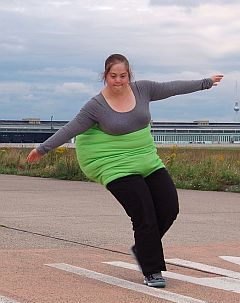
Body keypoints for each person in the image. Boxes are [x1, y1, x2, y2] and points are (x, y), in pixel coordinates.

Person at [26, 54, 223, 288]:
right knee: (144, 214)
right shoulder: (95, 106)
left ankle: (143, 247)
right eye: (113, 76)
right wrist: (42, 149)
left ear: (129, 75)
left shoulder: (143, 90)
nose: (118, 81)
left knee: (170, 207)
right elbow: (71, 129)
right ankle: (152, 271)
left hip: (145, 158)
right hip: (113, 164)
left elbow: (172, 88)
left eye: (123, 76)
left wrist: (205, 83)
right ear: (105, 76)